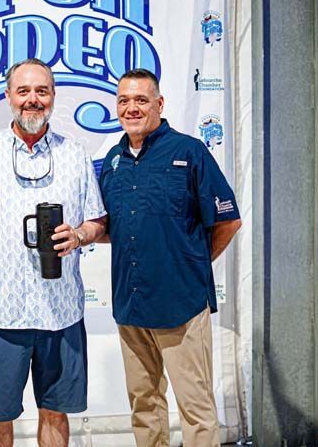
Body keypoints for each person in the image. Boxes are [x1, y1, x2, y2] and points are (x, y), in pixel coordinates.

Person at [0, 59, 107, 447]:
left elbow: (98, 221)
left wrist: (79, 235)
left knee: (55, 413)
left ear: (53, 97)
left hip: (61, 312)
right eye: (23, 91)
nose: (32, 99)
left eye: (42, 91)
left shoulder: (75, 154)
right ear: (8, 97)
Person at [98, 69, 241, 447]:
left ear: (159, 104)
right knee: (144, 405)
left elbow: (228, 220)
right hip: (131, 306)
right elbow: (109, 226)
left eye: (141, 100)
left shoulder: (189, 152)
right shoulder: (112, 160)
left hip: (182, 306)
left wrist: (193, 266)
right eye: (124, 101)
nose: (131, 108)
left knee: (196, 409)